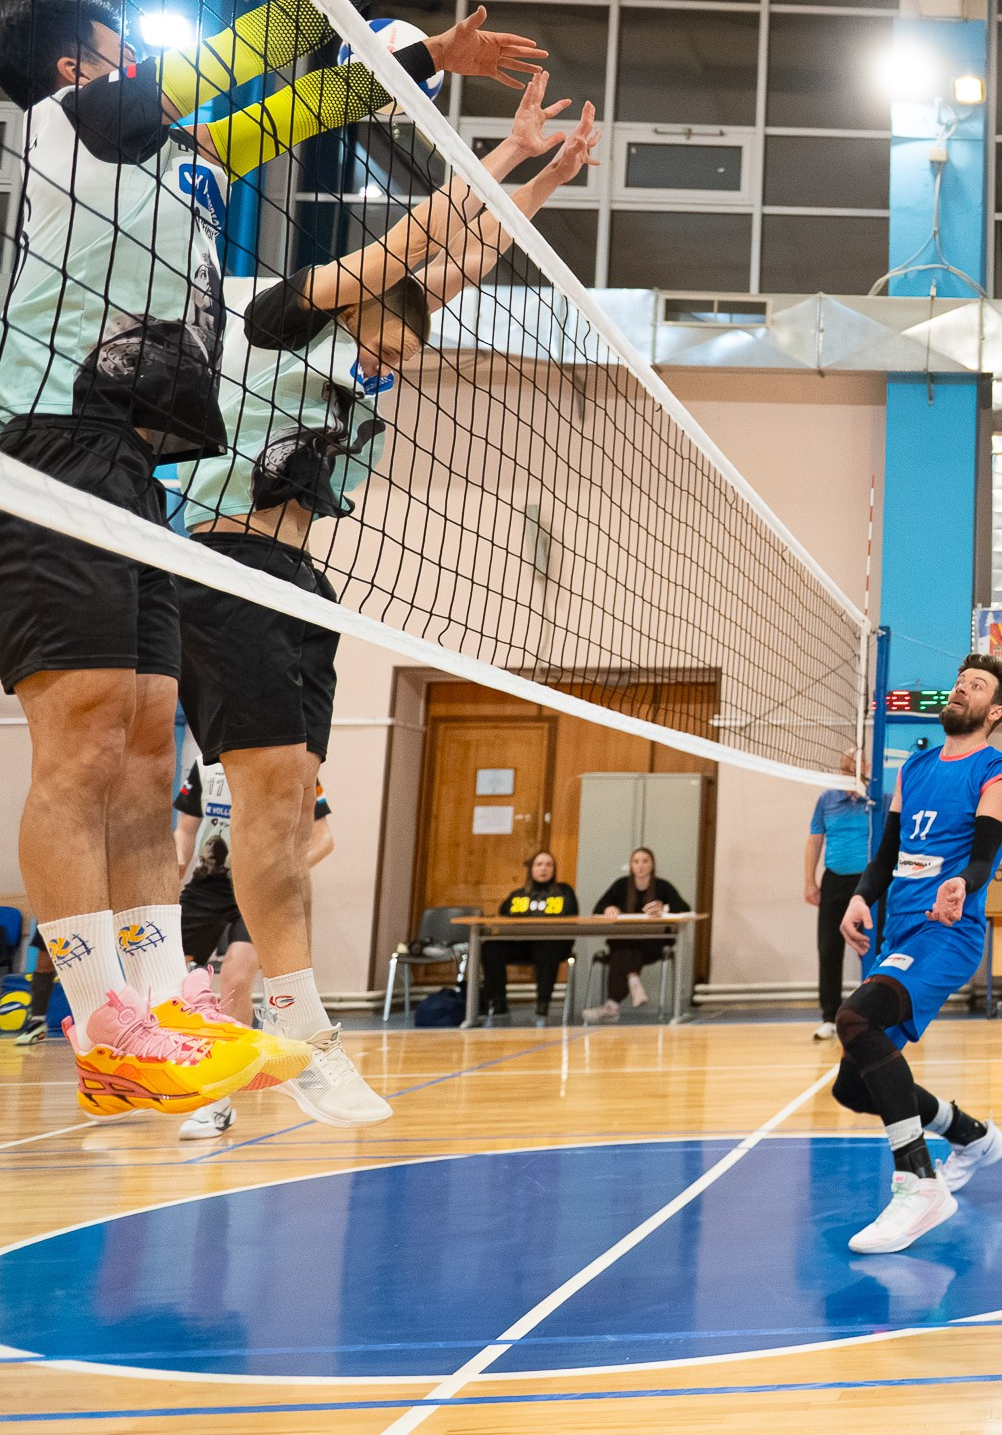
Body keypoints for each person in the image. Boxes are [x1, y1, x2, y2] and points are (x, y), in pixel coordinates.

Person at [0, 0, 539, 1117]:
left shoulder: (185, 159)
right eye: (124, 47)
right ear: (82, 64)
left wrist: (428, 59)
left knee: (138, 747)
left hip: (133, 474)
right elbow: (239, 63)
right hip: (45, 451)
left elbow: (294, 106)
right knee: (80, 752)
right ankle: (104, 1018)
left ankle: (157, 1007)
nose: (143, 66)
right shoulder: (70, 125)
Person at [170, 71, 596, 1113]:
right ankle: (286, 1026)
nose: (389, 363)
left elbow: (456, 266)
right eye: (384, 343)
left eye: (404, 352)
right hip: (223, 568)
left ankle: (282, 1022)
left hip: (302, 584)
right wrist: (501, 155)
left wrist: (544, 187)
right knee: (264, 806)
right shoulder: (283, 321)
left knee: (289, 815)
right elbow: (408, 246)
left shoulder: (379, 345)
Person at [835, 656, 1002, 1253]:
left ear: (993, 711)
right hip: (896, 934)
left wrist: (962, 884)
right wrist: (862, 898)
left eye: (977, 687)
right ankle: (970, 1135)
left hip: (947, 935)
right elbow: (887, 855)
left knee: (855, 1020)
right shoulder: (913, 767)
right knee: (854, 1087)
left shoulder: (998, 772)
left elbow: (983, 857)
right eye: (961, 681)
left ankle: (919, 1184)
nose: (962, 690)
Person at [169, 760, 335, 1141]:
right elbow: (185, 831)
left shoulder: (293, 766)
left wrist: (283, 872)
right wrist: (176, 861)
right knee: (164, 979)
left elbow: (324, 838)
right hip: (209, 886)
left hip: (261, 886)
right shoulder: (202, 768)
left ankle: (217, 1106)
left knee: (236, 978)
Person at [807, 761, 878, 1040]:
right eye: (847, 768)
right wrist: (809, 881)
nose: (851, 773)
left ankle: (872, 1011)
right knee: (828, 947)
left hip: (868, 882)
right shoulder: (827, 799)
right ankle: (830, 1017)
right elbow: (814, 840)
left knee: (871, 946)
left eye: (857, 768)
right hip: (834, 879)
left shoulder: (877, 798)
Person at [587, 847, 690, 1021]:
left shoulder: (662, 886)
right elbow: (598, 908)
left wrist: (663, 908)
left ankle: (612, 1005)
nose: (640, 866)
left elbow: (685, 908)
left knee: (619, 950)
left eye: (645, 861)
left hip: (654, 944)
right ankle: (633, 981)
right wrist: (608, 907)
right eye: (636, 862)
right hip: (627, 943)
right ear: (631, 866)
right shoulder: (621, 885)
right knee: (622, 946)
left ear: (652, 865)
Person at [482, 850, 579, 1023]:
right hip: (523, 944)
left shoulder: (564, 892)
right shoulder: (519, 895)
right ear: (532, 869)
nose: (544, 869)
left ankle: (543, 1004)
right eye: (539, 864)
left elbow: (572, 915)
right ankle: (498, 1003)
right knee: (491, 948)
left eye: (549, 865)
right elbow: (503, 913)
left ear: (554, 870)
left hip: (553, 945)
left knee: (545, 946)